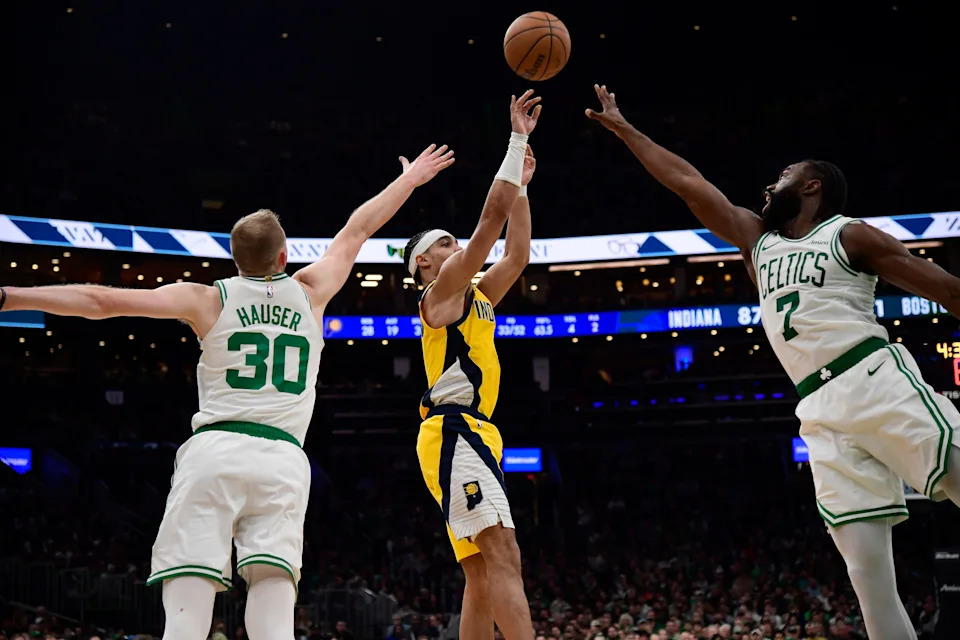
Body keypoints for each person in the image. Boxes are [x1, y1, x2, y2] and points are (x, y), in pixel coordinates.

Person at [0, 142, 455, 640]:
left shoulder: (206, 298)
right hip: (283, 458)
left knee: (190, 587)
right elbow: (359, 228)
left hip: (214, 450)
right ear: (284, 255)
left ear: (234, 259)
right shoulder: (311, 290)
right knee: (273, 587)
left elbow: (99, 300)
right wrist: (409, 181)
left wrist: (10, 296)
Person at [585, 82, 960, 640]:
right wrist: (627, 130)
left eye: (783, 175)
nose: (770, 184)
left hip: (873, 377)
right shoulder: (758, 242)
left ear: (811, 187)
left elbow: (948, 290)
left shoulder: (848, 234)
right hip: (819, 411)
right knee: (868, 577)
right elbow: (690, 185)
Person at [402, 90, 541, 640]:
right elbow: (489, 226)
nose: (452, 244)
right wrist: (516, 140)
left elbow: (517, 254)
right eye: (443, 243)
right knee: (503, 551)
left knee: (481, 573)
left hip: (476, 432)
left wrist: (524, 186)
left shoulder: (476, 293)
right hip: (453, 429)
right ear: (423, 265)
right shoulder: (439, 296)